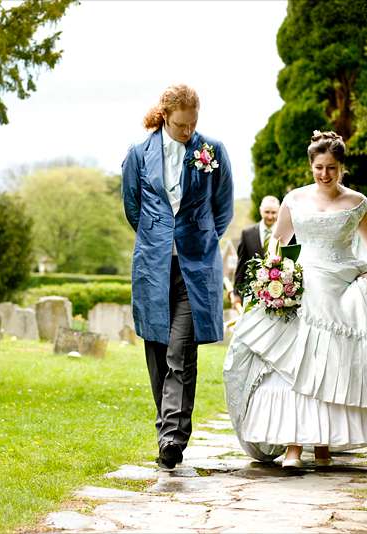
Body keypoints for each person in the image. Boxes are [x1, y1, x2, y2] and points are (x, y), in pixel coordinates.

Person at [223, 131, 367, 468]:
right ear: (311, 166)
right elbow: (278, 240)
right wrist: (277, 272)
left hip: (344, 288)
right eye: (319, 167)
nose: (325, 174)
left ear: (341, 167)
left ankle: (324, 445)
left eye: (332, 167)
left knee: (336, 364)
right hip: (302, 286)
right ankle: (292, 446)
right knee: (292, 364)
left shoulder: (358, 202)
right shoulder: (294, 200)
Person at [122, 84, 233, 470]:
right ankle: (169, 428)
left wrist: (199, 239)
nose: (188, 131)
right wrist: (158, 237)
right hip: (152, 266)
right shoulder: (138, 155)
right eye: (181, 124)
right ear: (166, 116)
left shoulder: (213, 152)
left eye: (193, 124)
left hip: (195, 267)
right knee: (156, 350)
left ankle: (171, 437)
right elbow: (133, 208)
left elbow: (223, 207)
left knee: (179, 352)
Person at [231, 196, 281, 310]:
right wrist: (236, 293)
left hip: (277, 294)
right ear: (260, 210)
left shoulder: (283, 234)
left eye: (274, 212)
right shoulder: (247, 234)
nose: (270, 216)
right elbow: (241, 265)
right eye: (267, 212)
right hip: (252, 293)